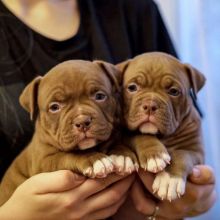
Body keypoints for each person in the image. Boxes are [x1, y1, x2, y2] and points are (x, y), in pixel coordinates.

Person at [0, 0, 216, 219]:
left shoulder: (134, 7)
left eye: (100, 96)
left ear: (115, 84)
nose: (82, 116)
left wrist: (172, 205)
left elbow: (185, 140)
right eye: (55, 106)